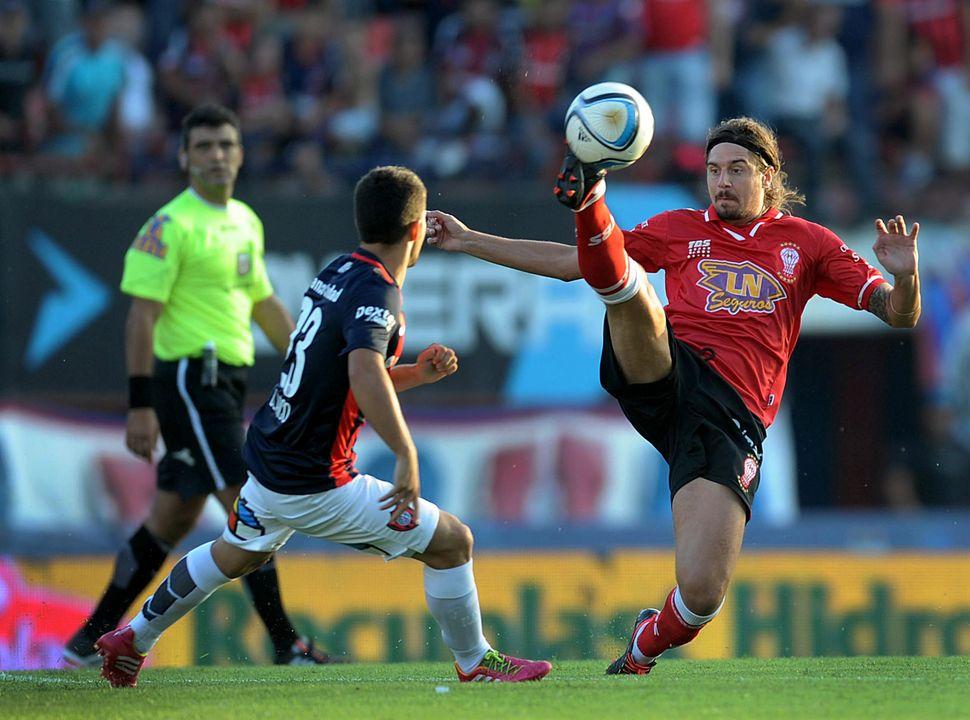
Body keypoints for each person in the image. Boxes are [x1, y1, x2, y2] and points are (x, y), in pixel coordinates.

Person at [426, 116, 921, 674]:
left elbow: (898, 315)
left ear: (768, 175)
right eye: (714, 171)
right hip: (668, 372)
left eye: (736, 169)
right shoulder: (679, 228)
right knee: (625, 287)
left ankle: (641, 650)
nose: (723, 182)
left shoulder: (808, 245)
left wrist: (904, 278)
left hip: (731, 420)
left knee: (702, 594)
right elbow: (574, 265)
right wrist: (467, 239)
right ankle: (591, 198)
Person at [94, 165, 553, 688]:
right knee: (453, 542)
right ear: (415, 233)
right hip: (316, 481)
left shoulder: (337, 271)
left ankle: (132, 638)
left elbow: (341, 376)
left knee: (236, 553)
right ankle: (475, 662)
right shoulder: (380, 293)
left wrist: (418, 374)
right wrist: (405, 452)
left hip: (271, 457)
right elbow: (361, 374)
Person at [64, 103, 335, 669]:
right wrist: (140, 405)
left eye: (226, 145)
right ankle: (287, 646)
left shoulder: (244, 220)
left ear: (240, 154)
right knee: (251, 508)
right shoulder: (170, 225)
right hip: (190, 379)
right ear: (185, 157)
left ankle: (87, 641)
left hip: (224, 384)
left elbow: (262, 302)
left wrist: (310, 357)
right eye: (205, 146)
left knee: (172, 519)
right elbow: (141, 316)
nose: (217, 155)